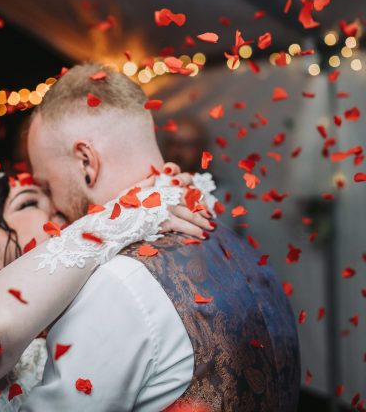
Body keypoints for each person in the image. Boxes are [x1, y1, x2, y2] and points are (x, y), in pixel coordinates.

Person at [23, 62, 300, 410]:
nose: (50, 207)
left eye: (47, 184)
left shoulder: (117, 284)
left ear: (86, 163)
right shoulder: (238, 248)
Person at [0, 160, 217, 411]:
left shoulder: (86, 307)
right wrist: (128, 213)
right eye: (28, 202)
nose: (60, 216)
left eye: (59, 208)